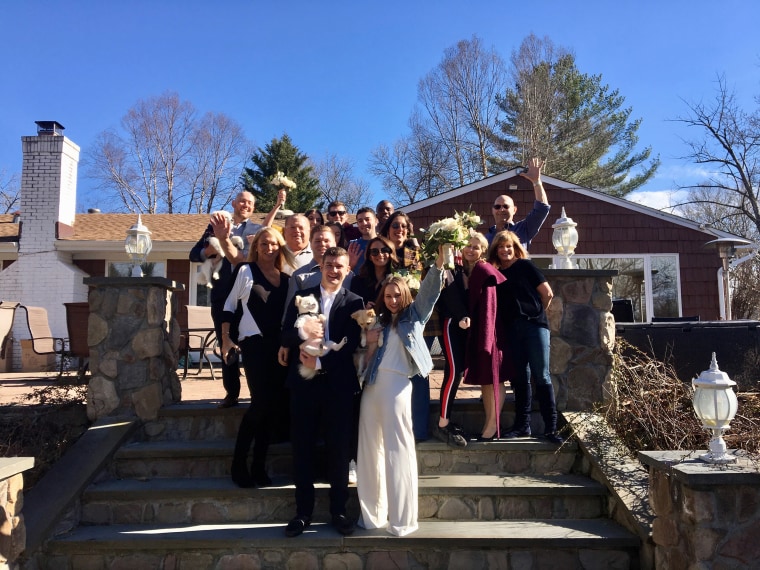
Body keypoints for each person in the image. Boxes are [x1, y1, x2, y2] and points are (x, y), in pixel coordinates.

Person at [357, 246, 445, 536]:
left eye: (398, 295)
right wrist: (369, 343)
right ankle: (372, 516)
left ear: (405, 295)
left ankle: (402, 520)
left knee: (399, 450)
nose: (393, 300)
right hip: (372, 387)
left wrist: (440, 265)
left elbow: (431, 292)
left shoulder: (414, 317)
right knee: (369, 451)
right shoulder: (378, 321)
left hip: (398, 387)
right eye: (388, 296)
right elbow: (365, 359)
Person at [279, 247, 364, 537]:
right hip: (304, 385)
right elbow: (286, 335)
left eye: (340, 266)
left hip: (338, 387)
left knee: (338, 452)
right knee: (302, 449)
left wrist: (321, 360)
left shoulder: (355, 302)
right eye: (329, 265)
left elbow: (351, 343)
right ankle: (303, 513)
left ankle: (338, 512)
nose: (334, 270)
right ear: (321, 266)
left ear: (347, 270)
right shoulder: (303, 297)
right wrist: (304, 335)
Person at [189, 191, 280, 408]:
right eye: (242, 201)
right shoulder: (215, 227)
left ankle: (258, 394)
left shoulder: (257, 231)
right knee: (225, 343)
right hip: (222, 295)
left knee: (252, 345)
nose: (245, 205)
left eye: (249, 202)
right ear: (234, 203)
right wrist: (210, 249)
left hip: (248, 296)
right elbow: (193, 255)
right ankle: (232, 394)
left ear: (253, 206)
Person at [220, 227, 296, 487]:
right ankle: (238, 464)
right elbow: (229, 305)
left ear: (280, 247)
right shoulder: (245, 271)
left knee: (272, 409)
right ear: (257, 247)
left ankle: (259, 467)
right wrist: (226, 338)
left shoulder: (287, 280)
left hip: (280, 349)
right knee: (260, 404)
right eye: (264, 243)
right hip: (254, 346)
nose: (268, 247)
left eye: (273, 243)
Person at [490, 231, 562, 444]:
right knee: (519, 377)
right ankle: (523, 426)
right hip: (512, 330)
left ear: (515, 248)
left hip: (535, 327)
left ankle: (551, 429)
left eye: (509, 246)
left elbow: (547, 293)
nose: (505, 250)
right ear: (496, 250)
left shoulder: (526, 266)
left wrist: (537, 313)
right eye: (501, 247)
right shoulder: (496, 275)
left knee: (542, 375)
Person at [433, 232, 489, 448]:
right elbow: (449, 295)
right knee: (453, 371)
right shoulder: (452, 267)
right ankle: (443, 422)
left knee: (463, 371)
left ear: (482, 250)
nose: (471, 250)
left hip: (470, 327)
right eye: (468, 246)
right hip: (452, 323)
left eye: (476, 247)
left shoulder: (481, 271)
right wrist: (460, 315)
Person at [378, 210, 430, 441]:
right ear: (387, 229)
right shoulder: (381, 252)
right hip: (386, 321)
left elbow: (416, 285)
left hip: (411, 320)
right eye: (394, 226)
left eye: (403, 227)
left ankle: (418, 430)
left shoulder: (413, 253)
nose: (399, 230)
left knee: (418, 372)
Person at [485, 157, 550, 249]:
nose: (501, 209)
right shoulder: (486, 238)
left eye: (506, 206)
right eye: (497, 206)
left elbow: (542, 209)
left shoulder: (524, 229)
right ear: (493, 210)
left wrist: (536, 182)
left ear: (514, 210)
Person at [282, 225, 338, 321]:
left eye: (326, 241)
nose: (322, 244)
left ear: (335, 243)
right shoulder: (298, 276)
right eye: (317, 241)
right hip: (309, 331)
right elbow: (290, 312)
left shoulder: (348, 275)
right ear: (310, 244)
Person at [349, 236, 398, 306]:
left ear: (391, 253)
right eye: (374, 251)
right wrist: (364, 310)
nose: (380, 254)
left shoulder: (398, 279)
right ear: (369, 256)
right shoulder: (357, 281)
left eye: (384, 250)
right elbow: (352, 308)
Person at [347, 207, 377, 273]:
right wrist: (350, 265)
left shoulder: (385, 243)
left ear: (376, 221)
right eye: (360, 221)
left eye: (367, 219)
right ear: (357, 224)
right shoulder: (352, 246)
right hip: (357, 282)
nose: (364, 223)